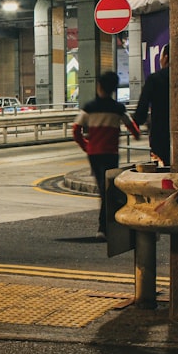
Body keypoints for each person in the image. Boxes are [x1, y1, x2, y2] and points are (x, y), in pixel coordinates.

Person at [72, 71, 141, 240]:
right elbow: (133, 128)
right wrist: (136, 133)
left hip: (94, 154)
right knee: (108, 189)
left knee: (104, 189)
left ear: (99, 87)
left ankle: (104, 227)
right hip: (111, 154)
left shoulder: (89, 107)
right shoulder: (118, 109)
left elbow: (76, 130)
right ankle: (107, 225)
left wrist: (85, 146)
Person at [134, 43, 171, 167]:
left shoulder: (155, 79)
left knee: (164, 165)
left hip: (160, 132)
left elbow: (142, 106)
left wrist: (136, 123)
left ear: (165, 58)